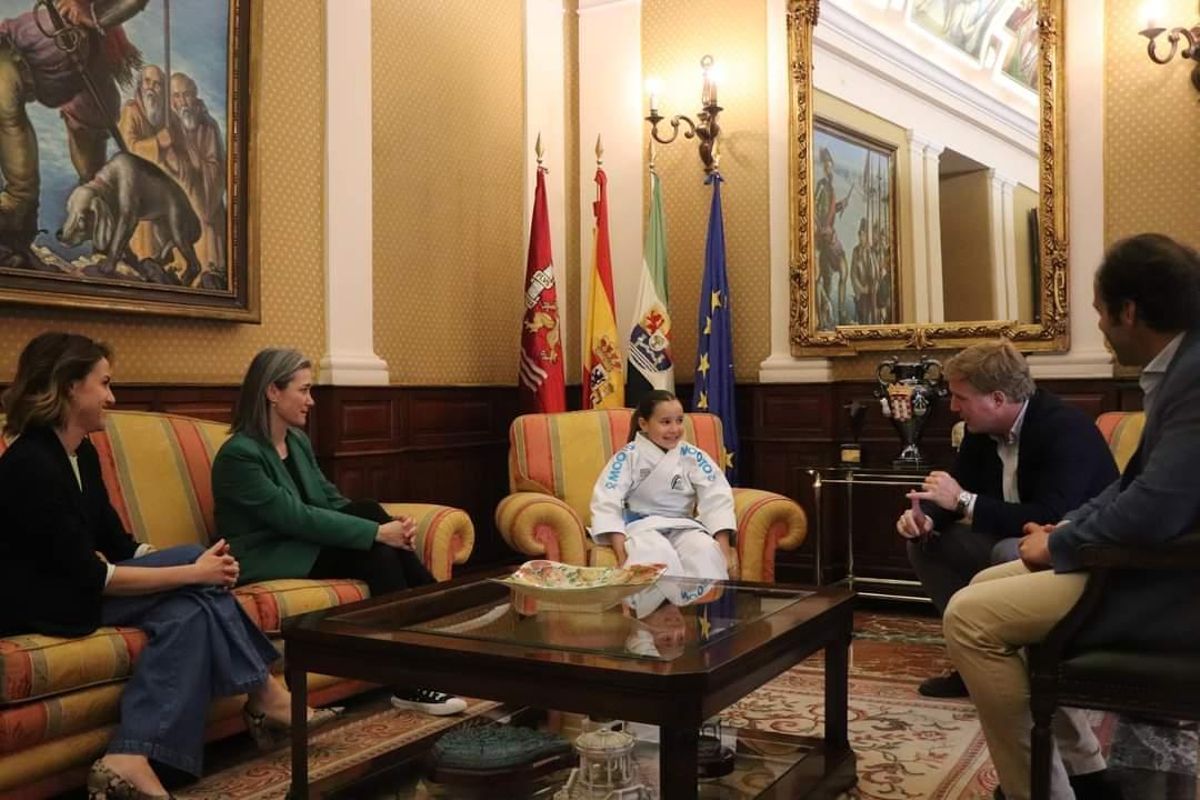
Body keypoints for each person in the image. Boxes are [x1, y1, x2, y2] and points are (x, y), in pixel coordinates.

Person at [0, 332, 337, 800]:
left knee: (187, 614)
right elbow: (90, 575)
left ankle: (131, 757)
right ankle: (266, 694)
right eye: (104, 384)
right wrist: (192, 571)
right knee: (189, 568)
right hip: (47, 605)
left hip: (82, 589)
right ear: (70, 386)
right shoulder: (30, 465)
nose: (112, 397)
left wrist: (180, 565)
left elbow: (117, 544)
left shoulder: (80, 452)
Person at [944, 233, 1200, 800]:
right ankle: (1085, 772)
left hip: (1168, 584)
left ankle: (1036, 792)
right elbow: (1135, 485)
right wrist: (1067, 531)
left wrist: (1060, 545)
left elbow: (1156, 508)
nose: (1103, 329)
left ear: (1128, 311)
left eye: (1100, 314)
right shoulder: (1181, 367)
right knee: (988, 580)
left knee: (969, 617)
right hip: (1143, 561)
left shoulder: (1195, 377)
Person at [211, 348, 466, 716]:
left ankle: (442, 626)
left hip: (303, 542)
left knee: (367, 509)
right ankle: (418, 668)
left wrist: (383, 524)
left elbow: (328, 498)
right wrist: (378, 535)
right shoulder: (239, 456)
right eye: (303, 390)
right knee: (377, 550)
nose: (311, 400)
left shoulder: (295, 441)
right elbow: (294, 517)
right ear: (272, 392)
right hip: (271, 552)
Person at [898, 341, 1117, 698]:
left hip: (1076, 553)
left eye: (960, 398)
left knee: (1008, 552)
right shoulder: (979, 431)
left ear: (997, 399)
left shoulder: (1065, 428)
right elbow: (958, 487)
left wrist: (963, 501)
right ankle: (973, 661)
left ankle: (1034, 670)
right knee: (926, 546)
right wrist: (926, 519)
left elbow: (1048, 517)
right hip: (1012, 537)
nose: (953, 408)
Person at [589, 390, 737, 616]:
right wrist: (621, 554)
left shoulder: (692, 455)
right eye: (665, 422)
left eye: (679, 421)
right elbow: (607, 500)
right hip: (642, 527)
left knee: (705, 550)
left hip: (684, 525)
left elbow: (717, 497)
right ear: (644, 423)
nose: (675, 429)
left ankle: (708, 617)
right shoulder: (627, 456)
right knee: (657, 554)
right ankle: (649, 626)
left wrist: (724, 549)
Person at [171, 72, 226, 281]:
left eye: (186, 95)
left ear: (195, 96)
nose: (182, 102)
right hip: (183, 200)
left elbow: (216, 167)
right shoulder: (170, 125)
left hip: (207, 200)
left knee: (209, 267)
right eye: (176, 96)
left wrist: (195, 164)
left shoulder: (208, 125)